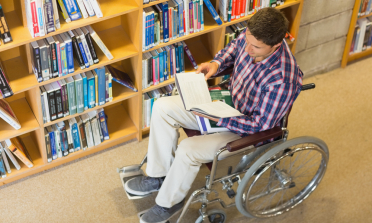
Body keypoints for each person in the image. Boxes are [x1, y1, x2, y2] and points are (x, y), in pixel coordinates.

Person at [125, 7, 303, 223]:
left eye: (255, 47)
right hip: (224, 104)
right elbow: (233, 49)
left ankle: (168, 203)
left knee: (188, 149)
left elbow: (261, 125)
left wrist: (221, 120)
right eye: (247, 40)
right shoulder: (252, 37)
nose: (247, 49)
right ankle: (160, 177)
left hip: (244, 128)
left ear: (276, 45)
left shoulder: (283, 78)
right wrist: (215, 64)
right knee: (162, 107)